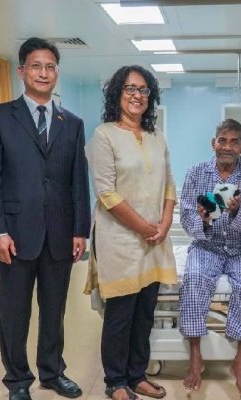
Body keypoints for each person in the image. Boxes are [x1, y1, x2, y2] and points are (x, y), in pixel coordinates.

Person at [0, 37, 90, 400]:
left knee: (54, 311)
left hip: (59, 233)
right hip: (14, 234)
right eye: (36, 66)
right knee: (14, 313)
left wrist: (80, 230)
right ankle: (17, 381)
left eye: (50, 67)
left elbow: (78, 180)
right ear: (21, 71)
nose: (44, 73)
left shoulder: (72, 123)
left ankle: (53, 372)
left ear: (57, 73)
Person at [84, 65, 177, 400]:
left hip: (154, 241)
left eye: (143, 90)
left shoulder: (156, 137)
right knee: (120, 315)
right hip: (120, 240)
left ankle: (138, 375)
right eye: (130, 89)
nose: (137, 95)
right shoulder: (104, 136)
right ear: (117, 94)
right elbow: (107, 194)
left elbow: (169, 185)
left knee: (144, 313)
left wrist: (164, 224)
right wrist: (145, 227)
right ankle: (115, 381)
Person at [178, 119, 241, 398]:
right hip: (207, 246)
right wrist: (204, 220)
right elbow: (186, 219)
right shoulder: (196, 173)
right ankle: (196, 356)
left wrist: (238, 212)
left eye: (234, 142)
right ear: (213, 143)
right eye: (222, 140)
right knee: (194, 279)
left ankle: (239, 362)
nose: (227, 147)